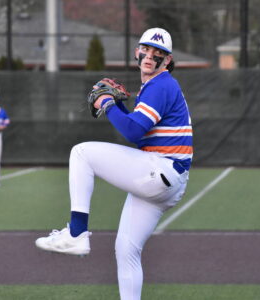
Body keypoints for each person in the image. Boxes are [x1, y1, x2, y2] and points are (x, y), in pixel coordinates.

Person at [35, 28, 193, 300]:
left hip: (160, 170)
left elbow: (133, 133)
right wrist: (116, 108)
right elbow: (136, 129)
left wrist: (108, 103)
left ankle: (76, 233)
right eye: (146, 49)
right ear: (137, 52)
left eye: (158, 54)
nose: (150, 56)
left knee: (81, 153)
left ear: (167, 61)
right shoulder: (155, 86)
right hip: (164, 178)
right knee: (126, 250)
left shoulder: (162, 84)